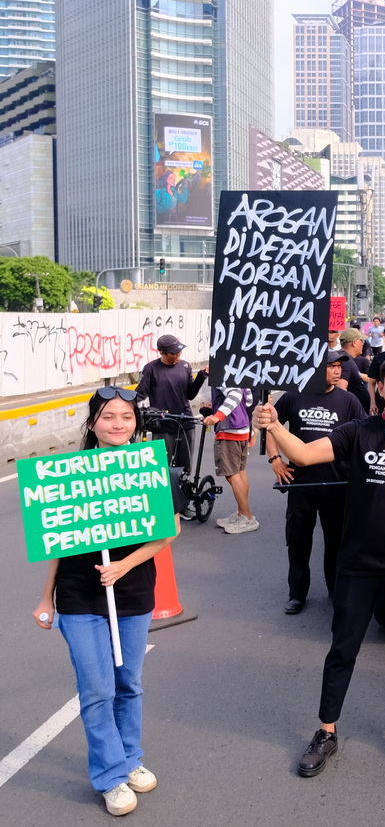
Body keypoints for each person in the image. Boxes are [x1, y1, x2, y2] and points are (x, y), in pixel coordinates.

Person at [254, 352, 385, 775]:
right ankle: (326, 732)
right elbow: (306, 455)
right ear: (378, 388)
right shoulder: (357, 431)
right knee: (342, 650)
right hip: (357, 564)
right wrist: (273, 427)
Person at [32, 386, 184, 816]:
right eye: (108, 416)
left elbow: (168, 530)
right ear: (92, 422)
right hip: (79, 595)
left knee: (128, 684)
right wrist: (46, 597)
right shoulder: (67, 472)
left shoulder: (152, 466)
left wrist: (124, 565)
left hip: (133, 592)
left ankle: (130, 758)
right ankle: (110, 776)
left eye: (126, 416)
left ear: (136, 421)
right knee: (96, 689)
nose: (118, 423)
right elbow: (56, 543)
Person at [266, 349, 366, 614]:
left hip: (337, 486)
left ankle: (336, 591)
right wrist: (275, 458)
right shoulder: (294, 396)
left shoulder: (349, 401)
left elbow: (363, 438)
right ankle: (297, 594)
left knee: (336, 543)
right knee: (299, 542)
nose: (337, 371)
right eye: (331, 366)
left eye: (339, 367)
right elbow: (271, 425)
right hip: (301, 486)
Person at [135, 334, 208, 476]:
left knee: (185, 468)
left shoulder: (185, 366)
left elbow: (190, 395)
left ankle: (183, 496)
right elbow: (140, 394)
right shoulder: (151, 369)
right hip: (162, 426)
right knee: (161, 468)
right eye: (174, 352)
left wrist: (201, 377)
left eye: (179, 351)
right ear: (162, 352)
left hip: (185, 423)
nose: (178, 354)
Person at [205, 386, 259, 535]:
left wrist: (218, 415)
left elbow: (234, 394)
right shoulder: (237, 372)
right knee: (240, 472)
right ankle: (242, 513)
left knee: (232, 475)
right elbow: (248, 399)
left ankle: (247, 517)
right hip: (242, 428)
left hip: (229, 430)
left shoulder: (223, 372)